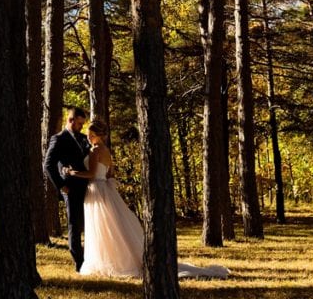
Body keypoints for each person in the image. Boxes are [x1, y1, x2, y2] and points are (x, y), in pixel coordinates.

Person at [72, 118, 229, 281]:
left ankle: (109, 261)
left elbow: (90, 174)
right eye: (88, 135)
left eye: (91, 135)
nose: (89, 137)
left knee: (102, 226)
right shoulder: (106, 151)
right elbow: (110, 173)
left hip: (96, 190)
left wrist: (73, 173)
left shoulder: (95, 151)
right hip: (106, 190)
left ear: (98, 135)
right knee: (111, 225)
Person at [43, 106, 92, 272]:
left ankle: (92, 257)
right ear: (70, 120)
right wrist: (61, 185)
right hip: (70, 188)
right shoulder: (58, 139)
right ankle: (79, 262)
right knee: (74, 224)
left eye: (82, 124)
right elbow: (48, 165)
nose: (81, 127)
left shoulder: (84, 138)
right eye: (79, 123)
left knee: (90, 223)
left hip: (89, 187)